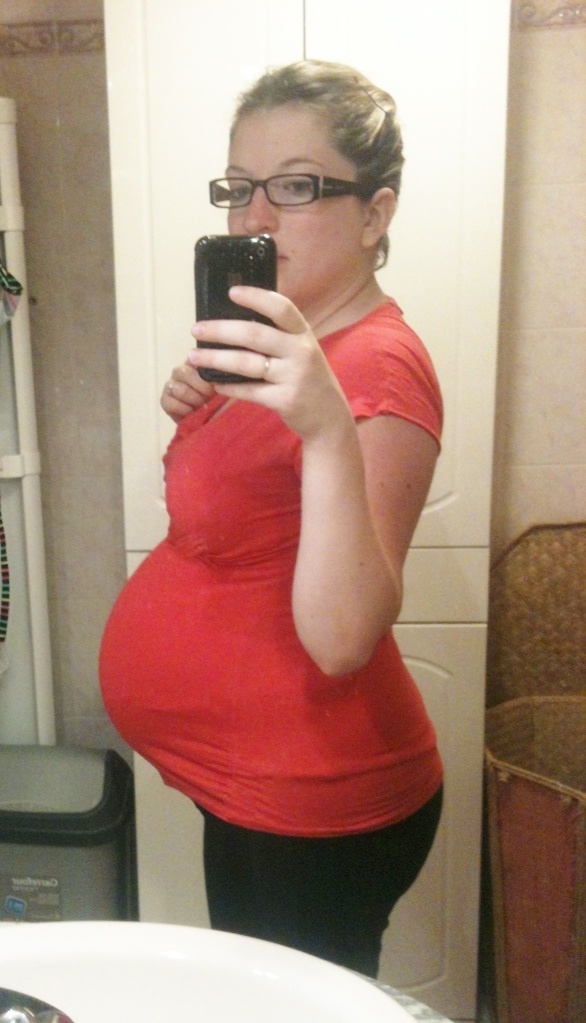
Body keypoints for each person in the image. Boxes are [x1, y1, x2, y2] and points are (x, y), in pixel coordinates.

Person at [99, 60, 443, 978]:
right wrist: (200, 414)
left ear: (374, 213)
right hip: (251, 785)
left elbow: (342, 636)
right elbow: (239, 526)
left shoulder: (376, 367)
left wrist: (327, 428)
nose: (253, 218)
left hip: (316, 806)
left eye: (294, 187)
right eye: (238, 187)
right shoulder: (289, 346)